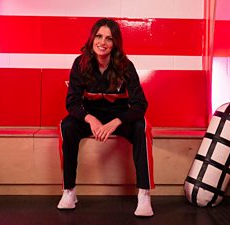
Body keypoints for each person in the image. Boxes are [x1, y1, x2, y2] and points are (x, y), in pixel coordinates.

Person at [57, 18, 155, 217]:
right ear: (92, 39)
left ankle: (144, 194)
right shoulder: (80, 63)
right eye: (99, 36)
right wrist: (91, 119)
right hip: (90, 117)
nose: (103, 42)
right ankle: (69, 191)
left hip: (118, 118)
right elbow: (72, 103)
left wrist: (116, 122)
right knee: (66, 125)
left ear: (115, 43)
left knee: (141, 126)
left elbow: (140, 104)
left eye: (109, 39)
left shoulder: (125, 65)